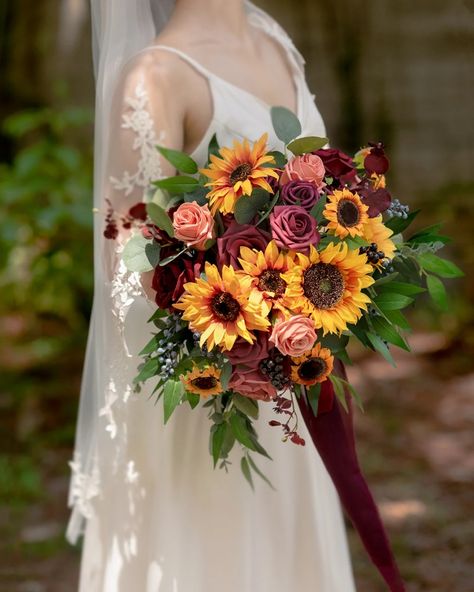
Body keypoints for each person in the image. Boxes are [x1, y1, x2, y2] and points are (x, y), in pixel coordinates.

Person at [68, 1, 356, 590]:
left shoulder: (272, 36)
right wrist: (241, 333)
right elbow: (125, 259)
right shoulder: (157, 77)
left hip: (288, 381)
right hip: (206, 390)